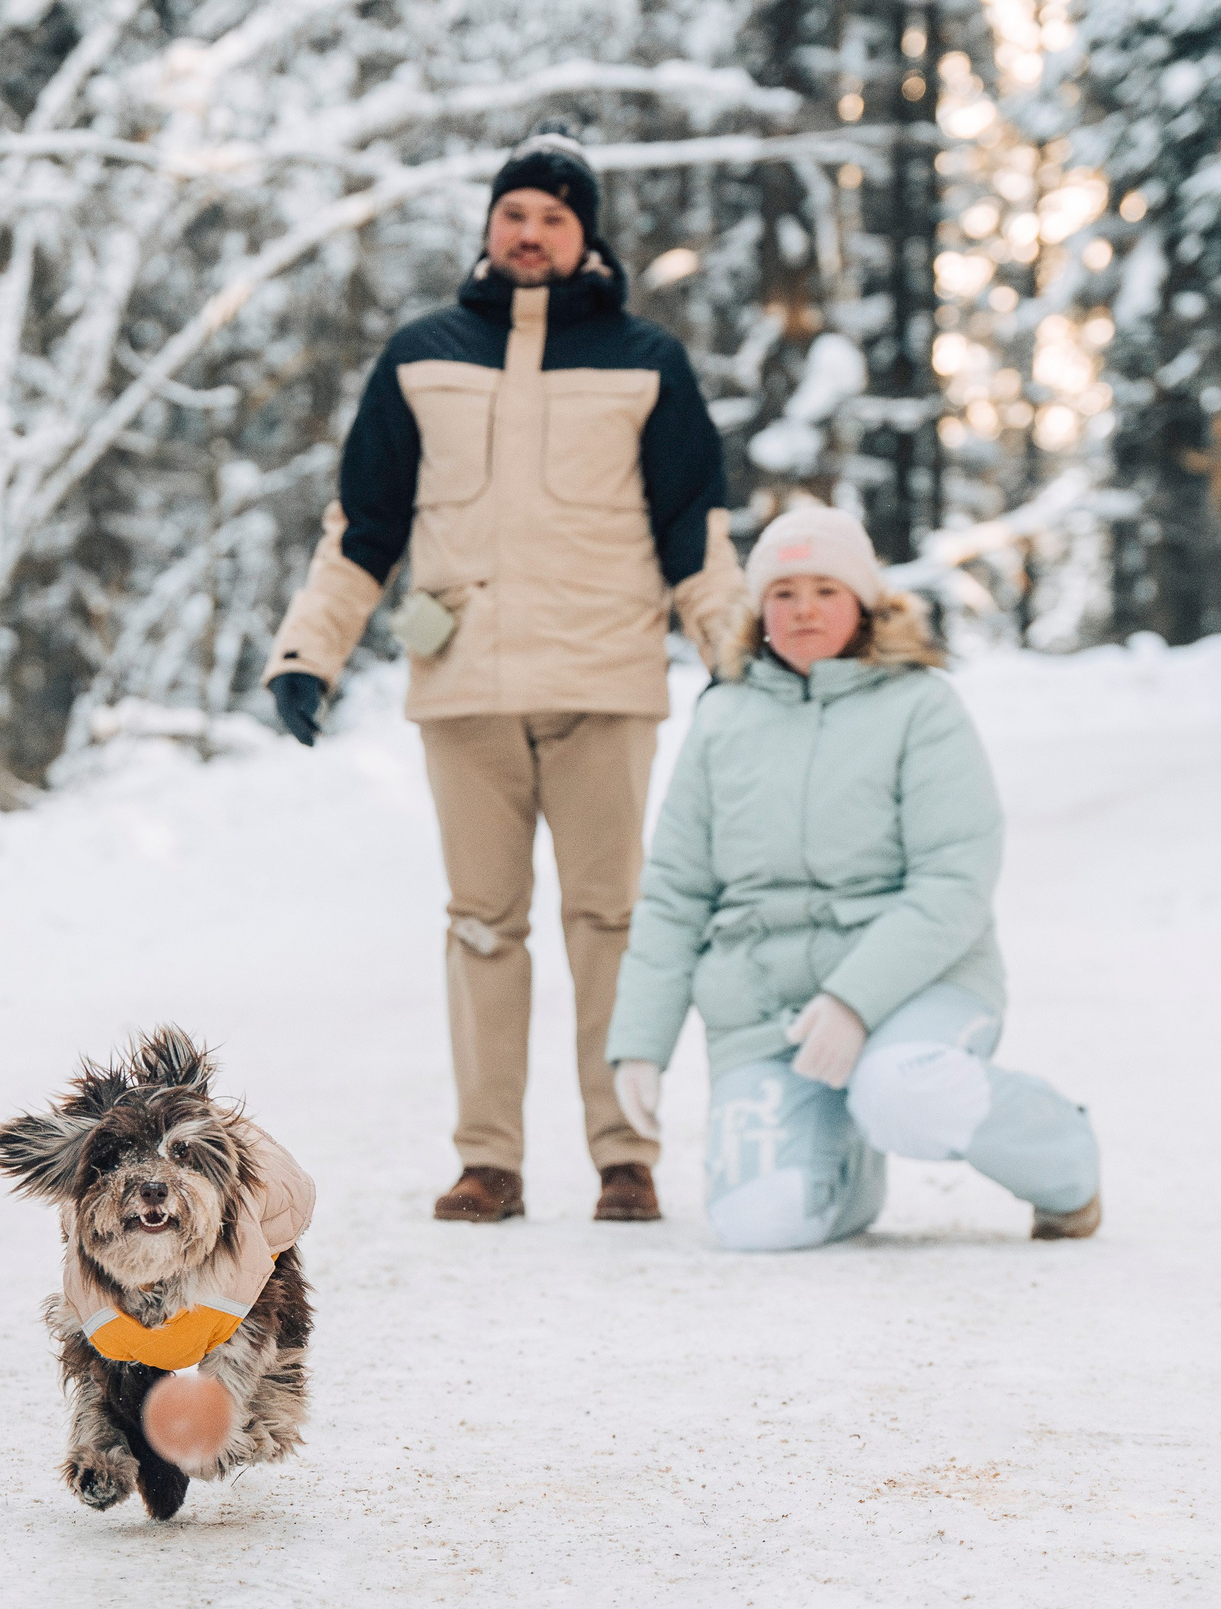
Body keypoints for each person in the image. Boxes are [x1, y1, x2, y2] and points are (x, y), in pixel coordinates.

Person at [261, 125, 751, 1225]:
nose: (531, 234)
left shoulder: (645, 361)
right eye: (514, 215)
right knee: (481, 923)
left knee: (609, 923)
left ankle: (625, 1155)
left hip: (603, 684)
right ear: (490, 227)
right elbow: (362, 530)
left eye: (554, 218)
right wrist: (309, 651)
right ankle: (489, 1160)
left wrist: (731, 644)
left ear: (586, 239)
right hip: (464, 689)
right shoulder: (421, 353)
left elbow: (693, 530)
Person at [603, 505, 1103, 1249]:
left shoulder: (921, 707)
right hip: (766, 1010)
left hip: (916, 990)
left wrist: (854, 1002)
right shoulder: (723, 717)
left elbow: (953, 883)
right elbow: (678, 892)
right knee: (755, 1226)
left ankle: (1066, 1165)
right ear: (758, 607)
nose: (803, 609)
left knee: (906, 1089)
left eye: (825, 590)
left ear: (865, 601)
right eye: (783, 592)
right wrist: (641, 1043)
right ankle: (844, 1151)